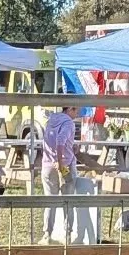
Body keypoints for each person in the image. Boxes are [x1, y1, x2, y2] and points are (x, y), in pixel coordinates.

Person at [40, 102, 80, 243]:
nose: (77, 114)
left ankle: (47, 234)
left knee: (50, 202)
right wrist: (60, 161)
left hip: (47, 164)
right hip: (65, 165)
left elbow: (52, 140)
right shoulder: (68, 123)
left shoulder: (51, 120)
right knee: (68, 201)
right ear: (70, 108)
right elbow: (60, 140)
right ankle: (68, 234)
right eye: (76, 110)